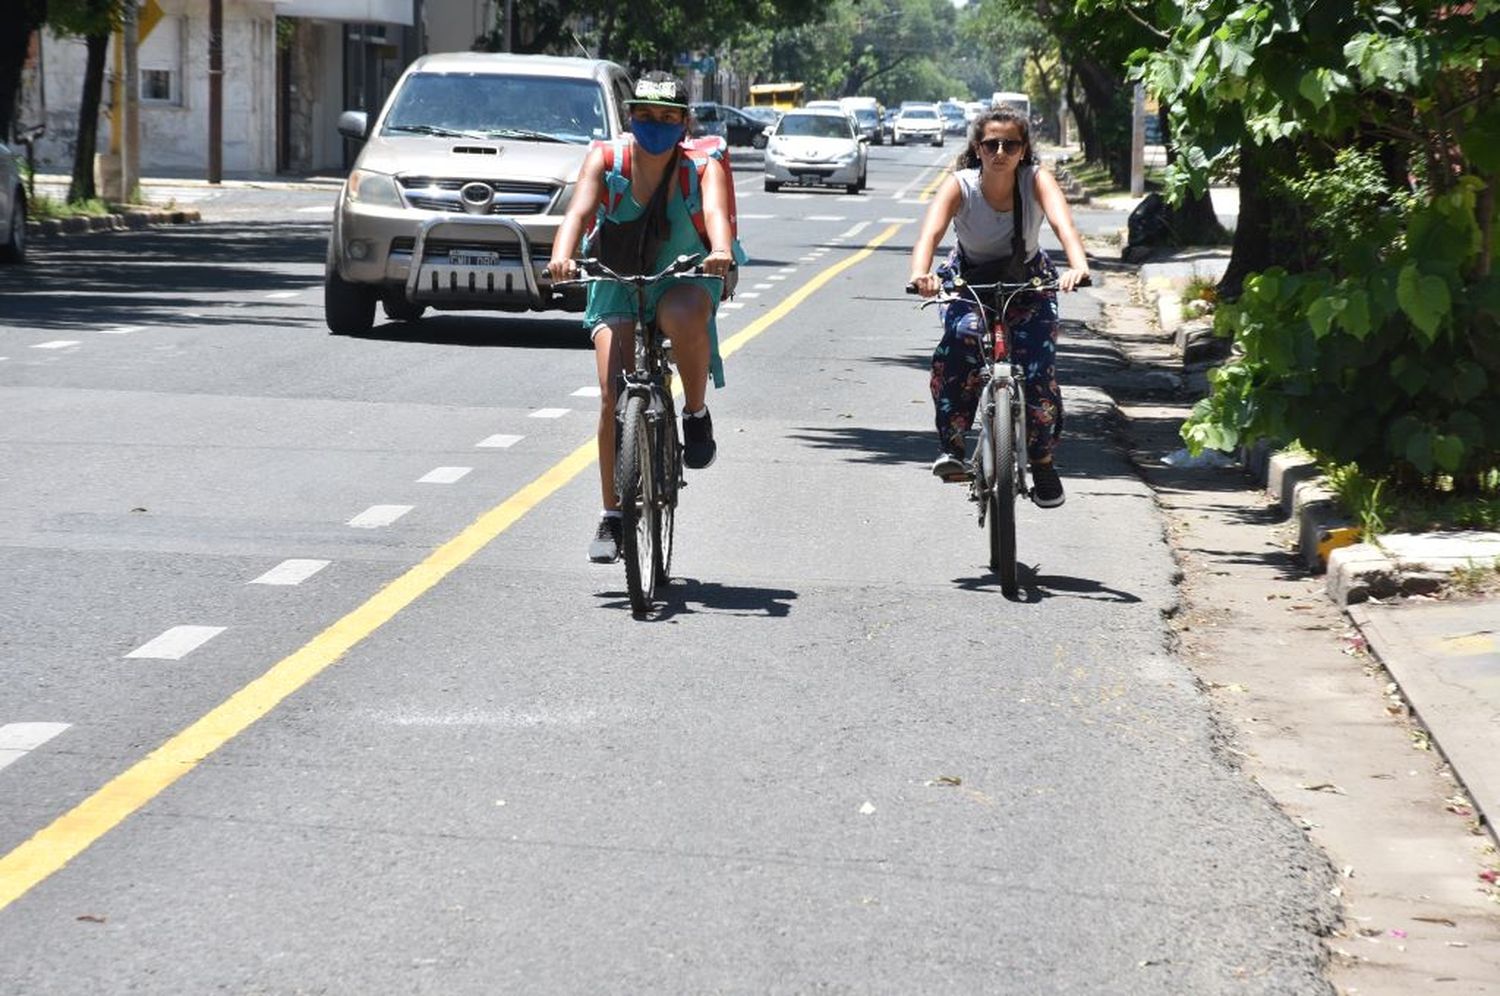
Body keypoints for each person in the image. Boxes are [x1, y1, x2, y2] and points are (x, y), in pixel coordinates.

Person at [547, 72, 736, 562]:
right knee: (611, 394)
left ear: (684, 123)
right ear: (631, 118)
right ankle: (612, 514)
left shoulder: (700, 167)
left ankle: (694, 413)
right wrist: (562, 256)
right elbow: (577, 213)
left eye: (667, 117)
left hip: (684, 270)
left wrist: (719, 250)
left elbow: (715, 214)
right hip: (615, 273)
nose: (656, 125)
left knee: (684, 312)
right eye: (646, 116)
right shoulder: (607, 159)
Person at [908, 108, 1090, 508]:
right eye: (992, 144)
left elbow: (1064, 226)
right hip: (969, 279)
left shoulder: (1036, 179)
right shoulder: (961, 185)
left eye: (1011, 144)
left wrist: (1078, 265)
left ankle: (1041, 460)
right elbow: (931, 233)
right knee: (961, 341)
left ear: (1024, 150)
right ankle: (953, 448)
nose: (1001, 152)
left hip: (1029, 281)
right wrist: (922, 274)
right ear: (978, 148)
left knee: (1039, 367)